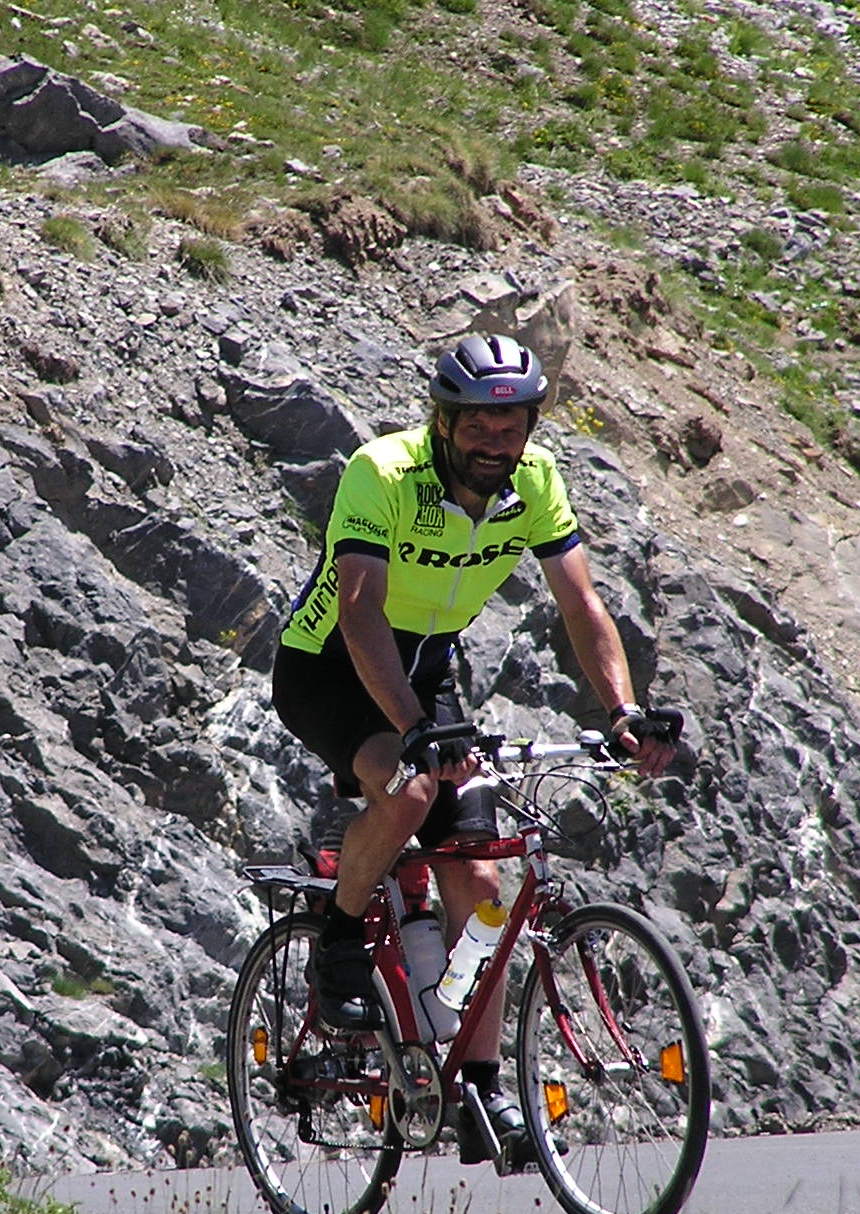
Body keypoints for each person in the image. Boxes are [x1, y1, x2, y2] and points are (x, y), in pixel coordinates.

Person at [272, 333, 676, 1170]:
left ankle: (481, 1089)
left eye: (512, 425)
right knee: (412, 791)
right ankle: (339, 941)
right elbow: (358, 609)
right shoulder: (383, 473)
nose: (497, 442)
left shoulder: (536, 482)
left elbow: (581, 604)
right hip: (332, 668)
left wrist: (624, 711)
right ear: (444, 422)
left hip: (427, 674)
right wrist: (414, 728)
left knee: (484, 879)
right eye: (479, 426)